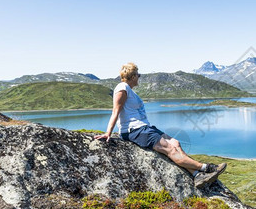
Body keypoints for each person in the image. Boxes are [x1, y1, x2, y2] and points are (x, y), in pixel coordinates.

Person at [95, 63, 226, 188]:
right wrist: (108, 133)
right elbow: (115, 112)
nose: (139, 77)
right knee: (171, 150)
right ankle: (206, 168)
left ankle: (196, 175)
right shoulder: (122, 88)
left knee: (175, 142)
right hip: (134, 130)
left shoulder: (129, 90)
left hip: (144, 127)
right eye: (138, 75)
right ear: (133, 76)